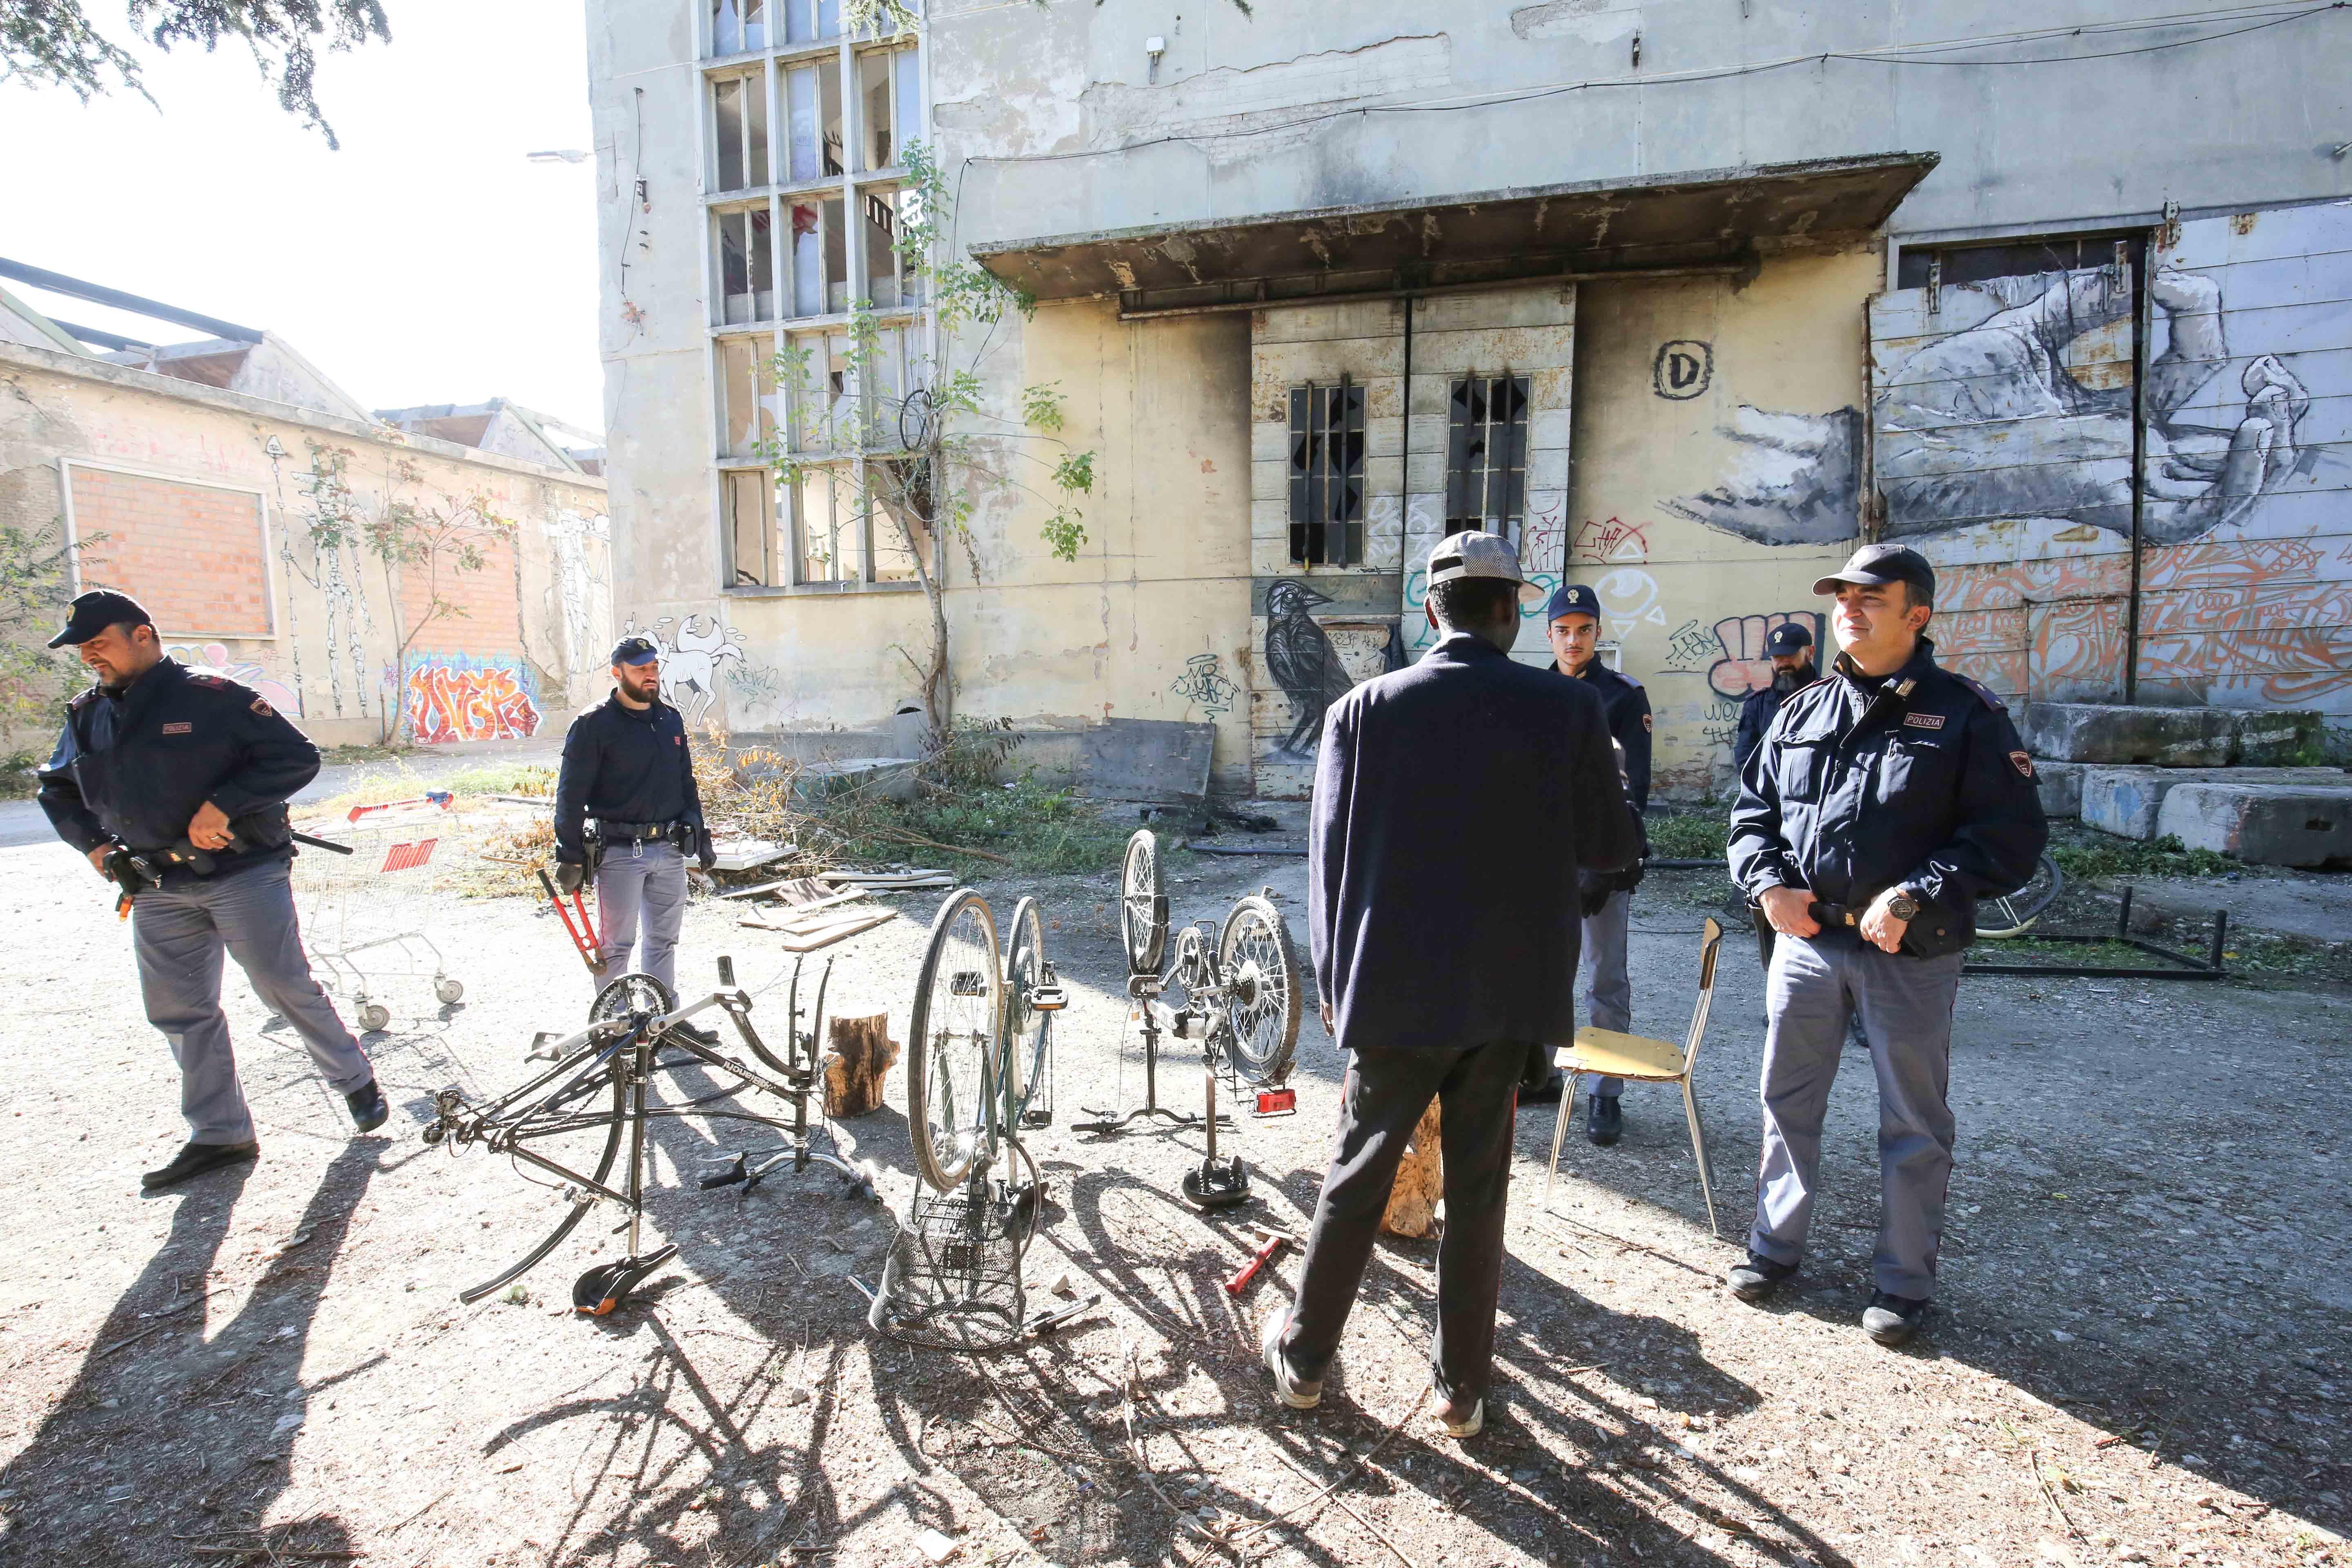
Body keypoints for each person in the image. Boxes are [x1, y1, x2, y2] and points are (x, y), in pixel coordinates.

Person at [1267, 531, 1642, 1438]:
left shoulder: (1364, 710)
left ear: (1431, 611)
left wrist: (1335, 987)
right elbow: (1612, 849)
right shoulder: (1567, 710)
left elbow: (1329, 866)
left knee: (1357, 1175)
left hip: (1394, 994)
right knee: (1479, 1190)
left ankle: (1307, 1361)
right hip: (1510, 999)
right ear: (1513, 613)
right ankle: (1462, 1388)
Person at [1726, 543, 2047, 1346]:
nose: (1851, 608)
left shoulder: (1966, 714)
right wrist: (1768, 887)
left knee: (1913, 1121)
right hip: (1807, 945)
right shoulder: (1801, 710)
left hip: (1910, 953)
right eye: (1843, 595)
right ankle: (1773, 1247)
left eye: (1873, 596)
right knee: (1786, 1102)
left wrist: (1915, 893)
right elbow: (1751, 815)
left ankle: (1903, 1284)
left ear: (1918, 613)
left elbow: (2010, 839)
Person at [36, 591, 388, 1191]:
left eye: (99, 643)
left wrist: (222, 804)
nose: (89, 657)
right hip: (153, 885)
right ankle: (220, 1135)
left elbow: (295, 759)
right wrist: (95, 847)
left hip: (242, 872)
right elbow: (57, 787)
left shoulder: (213, 696)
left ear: (142, 635)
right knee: (179, 1012)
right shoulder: (88, 713)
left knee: (282, 985)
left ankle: (354, 1079)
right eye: (81, 649)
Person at [1526, 582, 1650, 1148]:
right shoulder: (1534, 693)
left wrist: (1605, 865)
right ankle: (1543, 1071)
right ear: (1548, 634)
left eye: (1583, 629)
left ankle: (1605, 1090)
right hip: (1544, 863)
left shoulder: (1622, 696)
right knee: (1544, 974)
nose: (1573, 640)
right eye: (1562, 630)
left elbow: (1634, 791)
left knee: (1604, 979)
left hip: (1601, 864)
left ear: (1598, 633)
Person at [553, 635, 715, 1002]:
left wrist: (701, 835)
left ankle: (660, 1021)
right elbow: (570, 796)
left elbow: (686, 784)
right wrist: (570, 854)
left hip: (669, 851)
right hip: (618, 853)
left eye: (654, 668)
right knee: (616, 948)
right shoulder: (593, 724)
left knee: (663, 941)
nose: (650, 676)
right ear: (617, 673)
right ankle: (617, 1026)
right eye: (640, 669)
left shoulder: (669, 719)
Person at [1733, 622, 1822, 969]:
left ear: (1809, 653)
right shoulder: (1758, 706)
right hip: (1772, 820)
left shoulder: (1832, 699)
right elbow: (1746, 761)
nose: (1783, 663)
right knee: (1770, 907)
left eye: (1790, 656)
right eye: (1777, 658)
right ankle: (1778, 986)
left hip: (1816, 821)